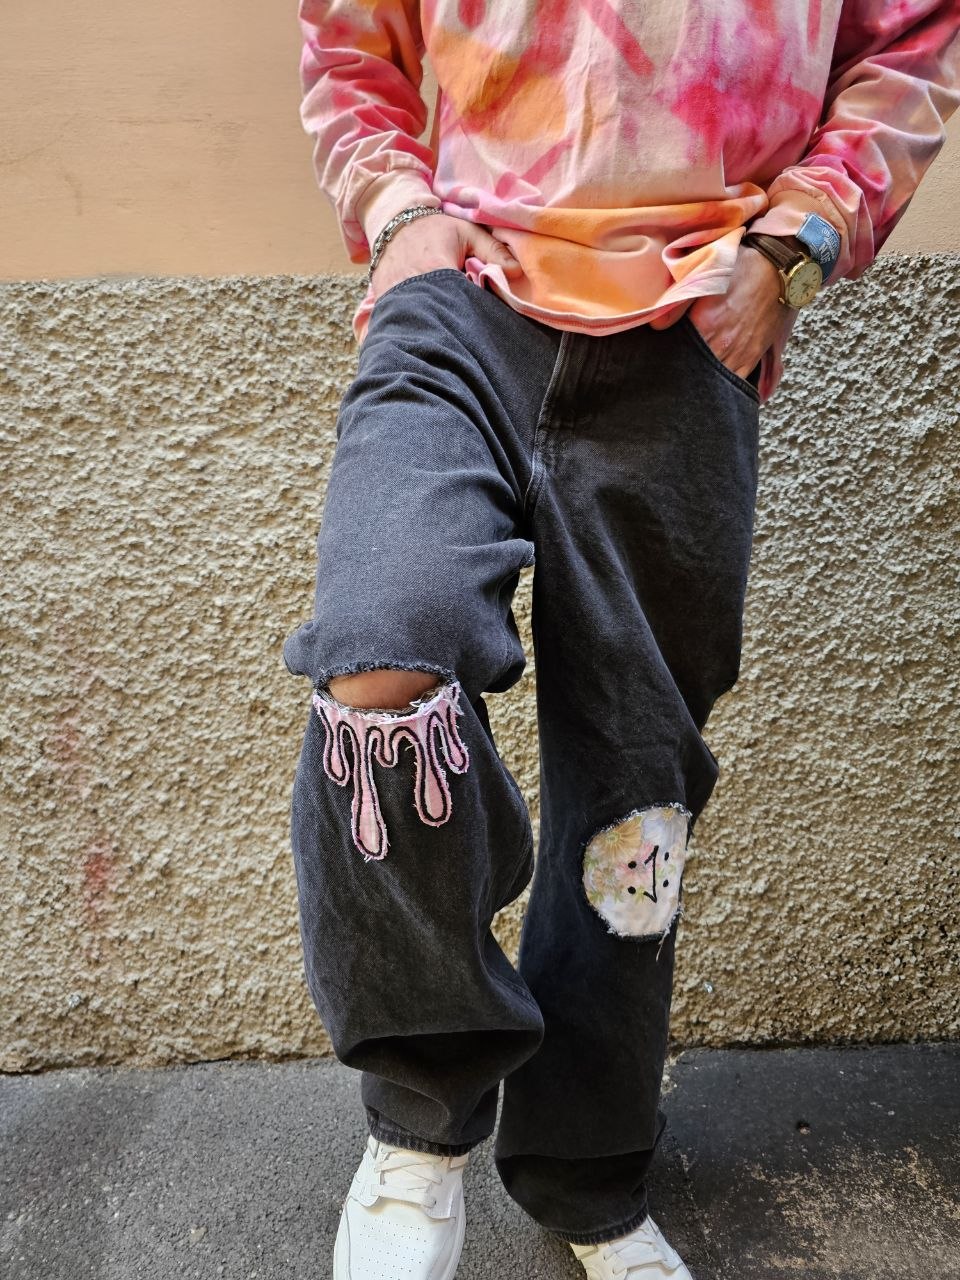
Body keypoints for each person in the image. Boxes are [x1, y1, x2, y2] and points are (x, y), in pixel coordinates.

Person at [281, 3, 960, 1277]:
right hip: (462, 302)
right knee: (381, 655)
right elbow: (351, 39)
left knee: (634, 787)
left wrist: (791, 250)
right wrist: (397, 213)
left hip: (688, 323)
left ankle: (588, 1177)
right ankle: (422, 1119)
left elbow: (909, 44)